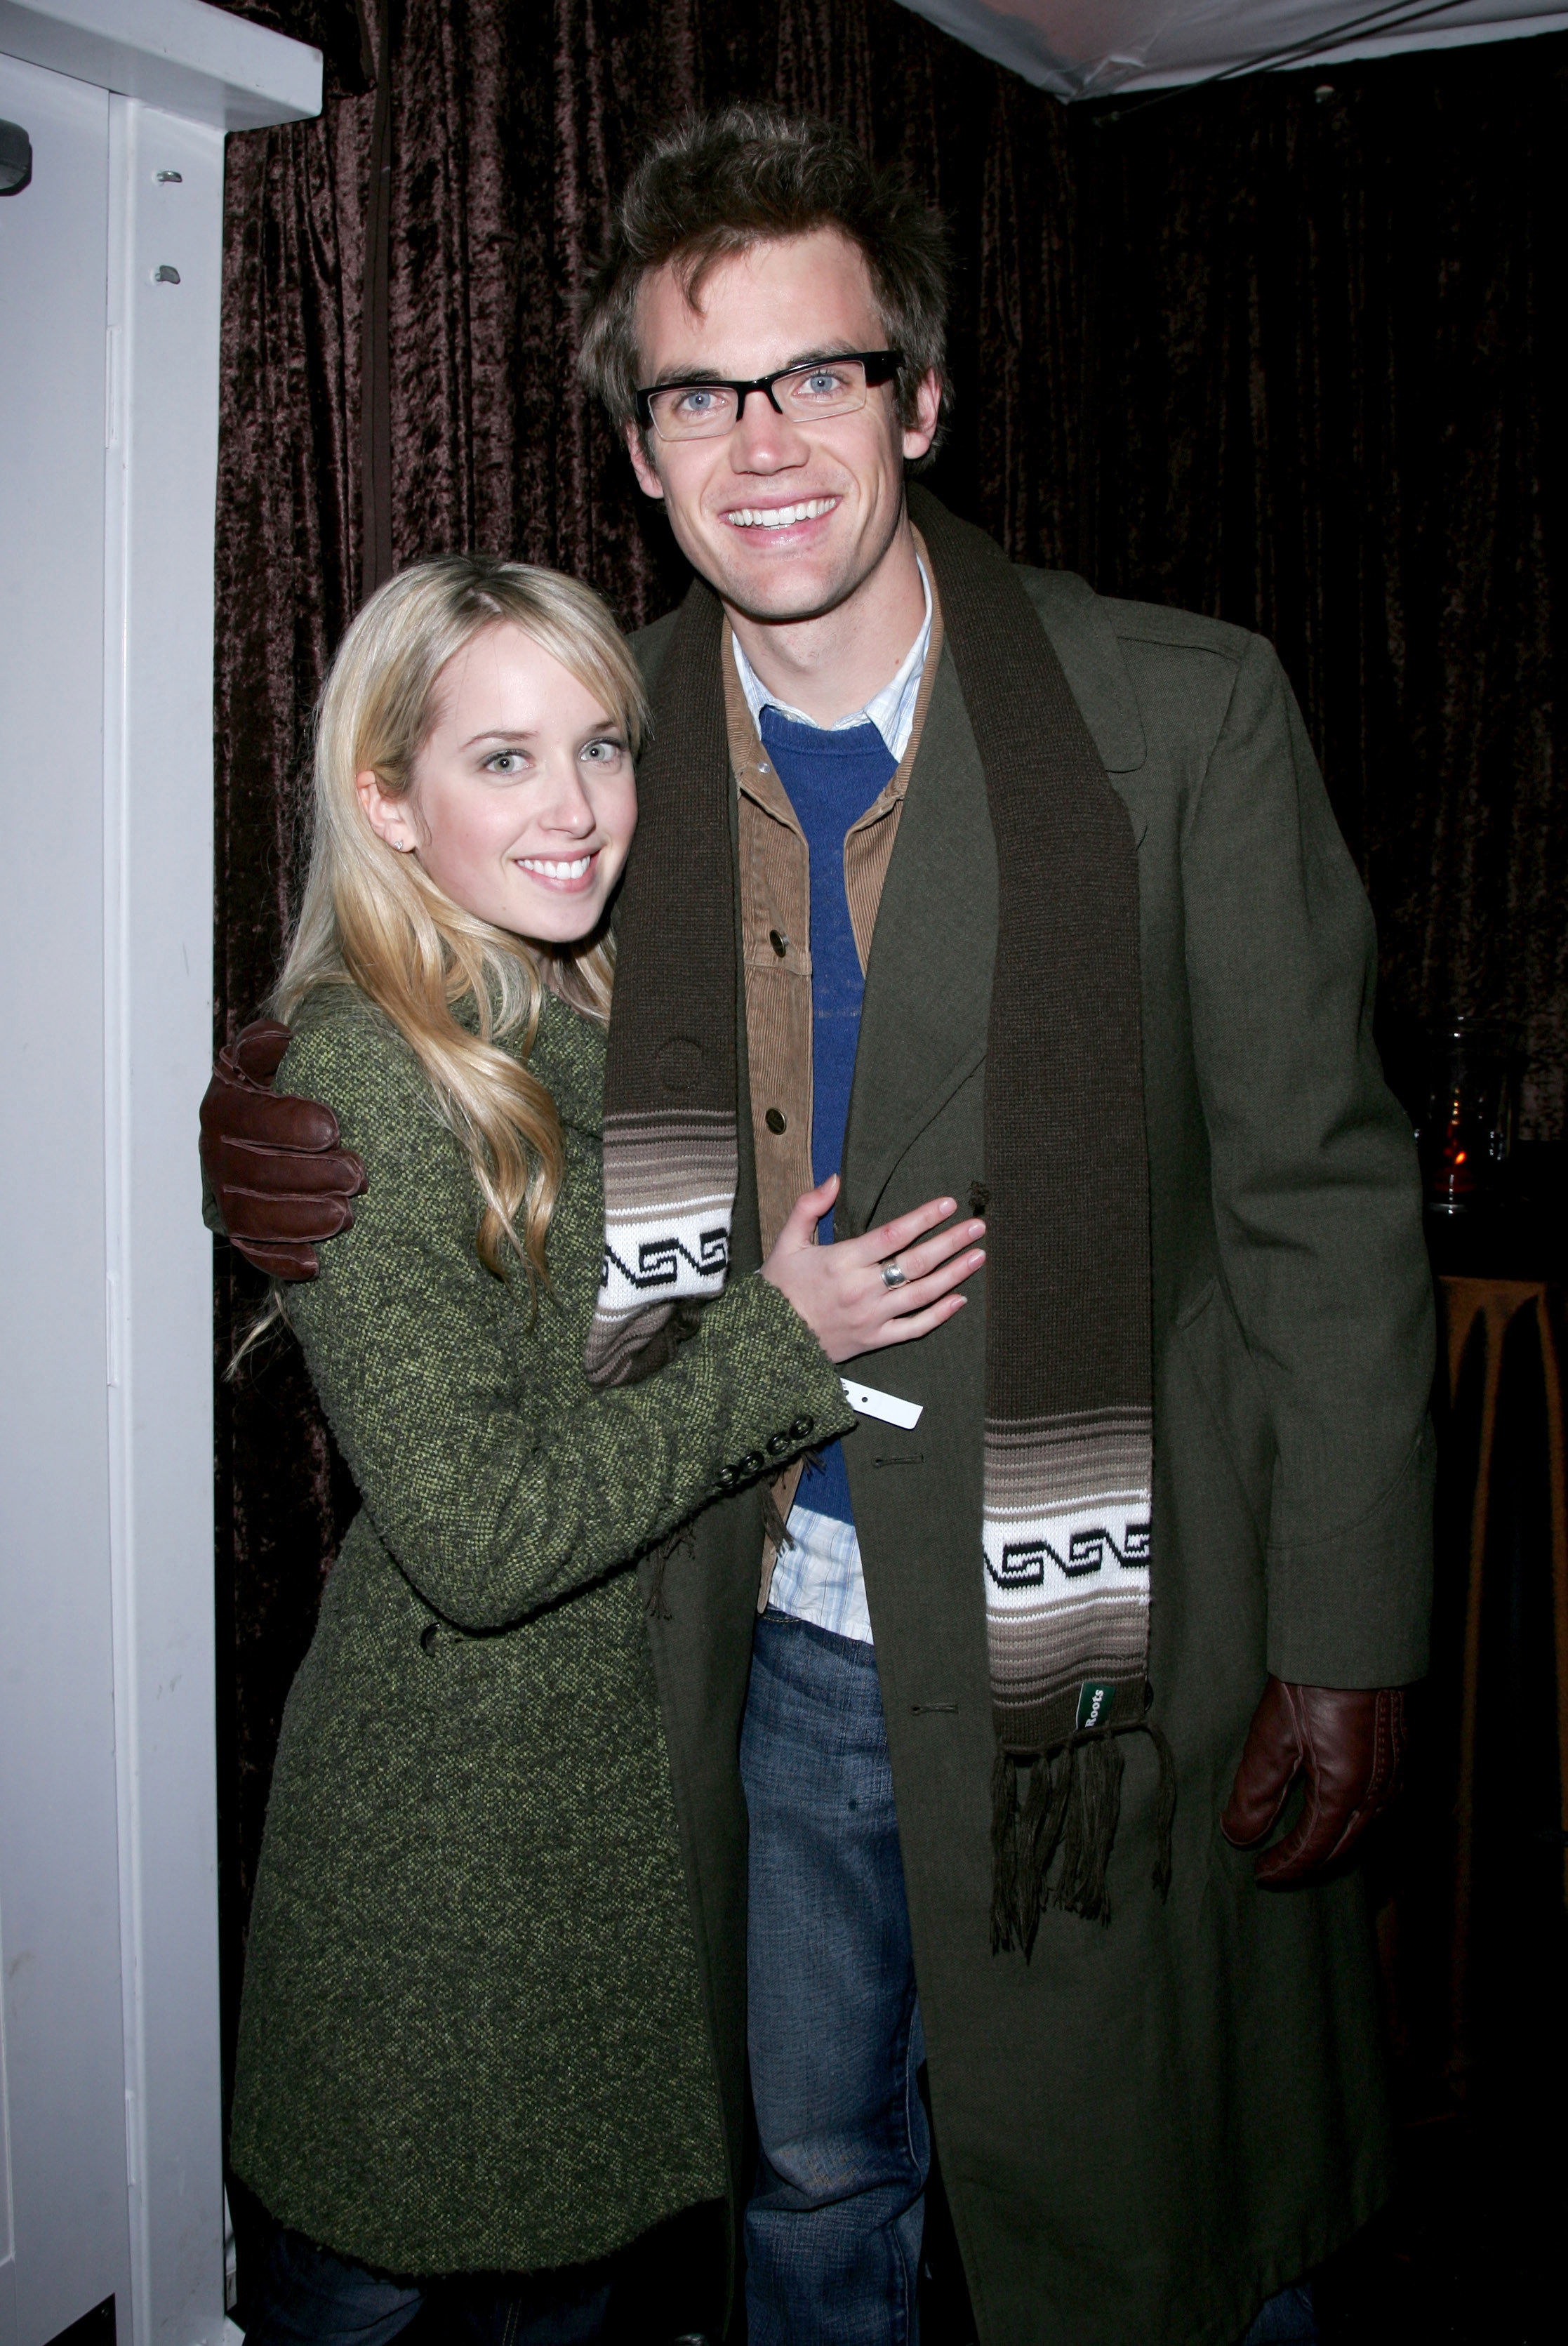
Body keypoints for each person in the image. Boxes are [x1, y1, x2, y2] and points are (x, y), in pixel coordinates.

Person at [202, 111, 1433, 2346]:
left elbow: (1323, 1204)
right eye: (697, 391)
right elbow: (438, 990)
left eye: (819, 375)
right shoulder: (605, 753)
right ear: (638, 448)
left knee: (1154, 2193)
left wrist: (1353, 1625)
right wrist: (267, 1093)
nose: (762, 443)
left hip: (1114, 1629)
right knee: (809, 2192)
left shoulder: (1178, 713)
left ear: (921, 398)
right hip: (759, 1622)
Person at [216, 552, 985, 2344]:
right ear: (385, 799)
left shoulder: (612, 995)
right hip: (448, 1849)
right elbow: (479, 1535)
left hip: (623, 1804)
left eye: (602, 746)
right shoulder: (363, 1078)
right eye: (501, 761)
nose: (575, 812)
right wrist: (787, 1348)